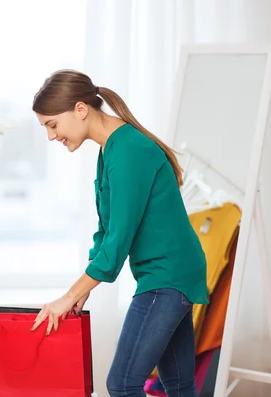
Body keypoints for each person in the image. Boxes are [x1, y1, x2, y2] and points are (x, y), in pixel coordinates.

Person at [30, 69, 208, 397]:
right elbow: (107, 228)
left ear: (80, 109)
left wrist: (69, 295)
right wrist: (84, 286)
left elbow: (118, 241)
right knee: (179, 386)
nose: (51, 137)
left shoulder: (127, 150)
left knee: (122, 384)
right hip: (172, 272)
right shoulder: (112, 149)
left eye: (52, 125)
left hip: (166, 276)